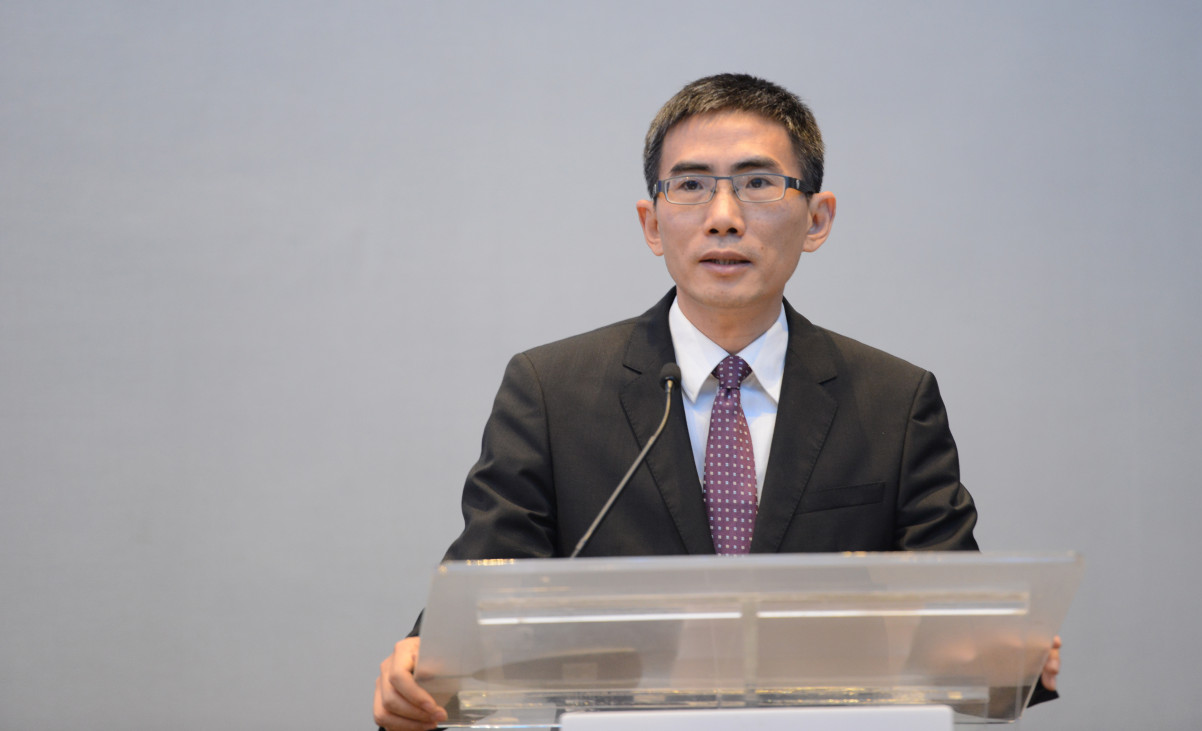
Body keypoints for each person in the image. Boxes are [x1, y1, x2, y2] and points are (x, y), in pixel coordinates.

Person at [373, 73, 1061, 730]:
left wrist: (1001, 657)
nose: (724, 218)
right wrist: (423, 665)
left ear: (817, 218)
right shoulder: (553, 392)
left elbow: (954, 625)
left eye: (758, 183)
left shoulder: (893, 402)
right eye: (691, 185)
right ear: (652, 223)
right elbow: (487, 591)